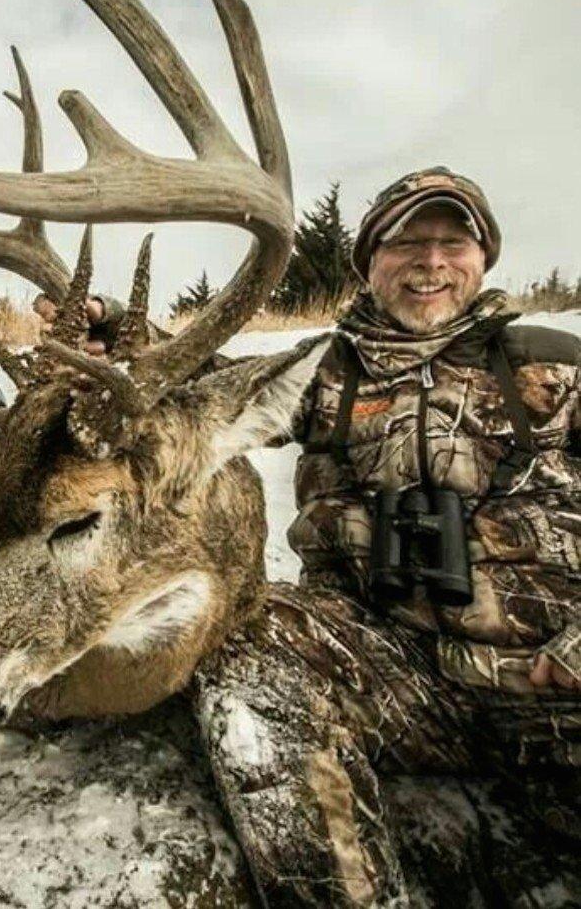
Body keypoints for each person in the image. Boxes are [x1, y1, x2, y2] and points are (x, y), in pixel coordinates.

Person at [196, 166, 581, 906]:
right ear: (370, 262)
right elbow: (206, 388)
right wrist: (110, 330)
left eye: (452, 241)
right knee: (251, 640)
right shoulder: (322, 373)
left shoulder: (550, 364)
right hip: (397, 671)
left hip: (556, 683)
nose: (431, 262)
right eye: (408, 242)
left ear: (483, 256)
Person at [32, 291, 125, 355]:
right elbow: (99, 348)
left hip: (122, 321)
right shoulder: (57, 326)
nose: (46, 318)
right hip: (113, 344)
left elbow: (97, 311)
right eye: (43, 315)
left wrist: (78, 302)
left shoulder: (88, 304)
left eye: (45, 313)